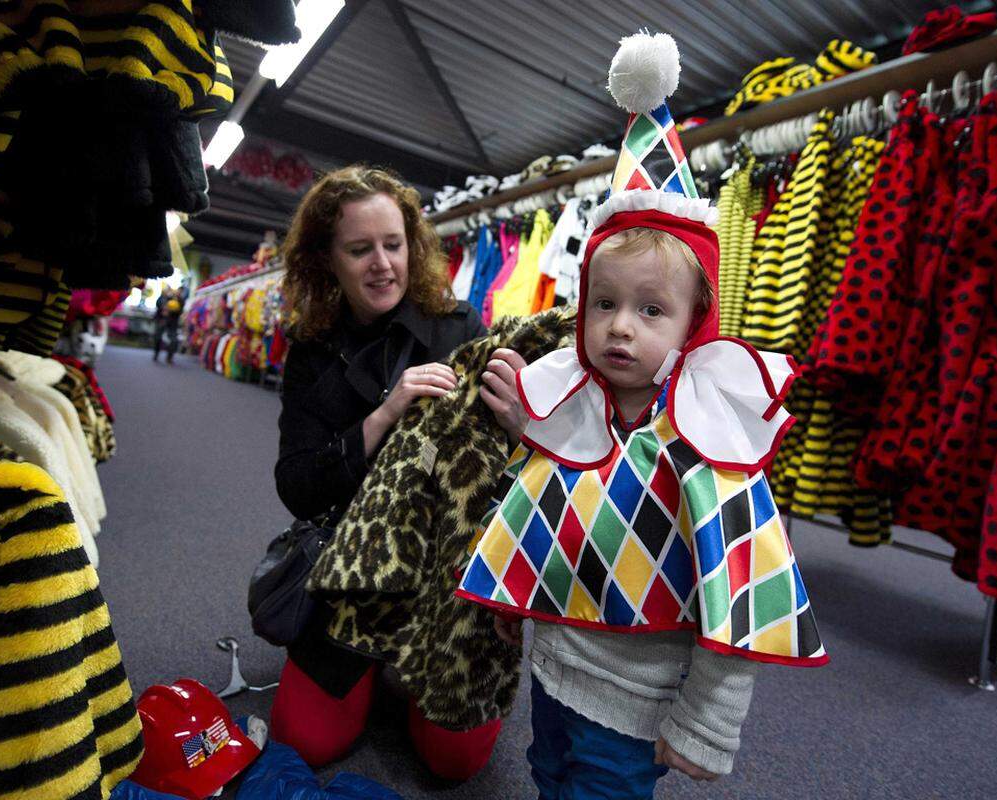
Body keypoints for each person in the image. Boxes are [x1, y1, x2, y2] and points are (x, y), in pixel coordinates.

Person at [456, 33, 827, 799]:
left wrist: (705, 723)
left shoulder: (709, 440)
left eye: (651, 309)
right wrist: (516, 601)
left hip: (633, 705)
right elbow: (549, 507)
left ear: (695, 322)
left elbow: (741, 584)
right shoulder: (572, 409)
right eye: (604, 304)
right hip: (555, 672)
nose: (620, 326)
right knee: (545, 773)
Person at [271, 165, 527, 779]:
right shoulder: (310, 347)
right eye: (360, 250)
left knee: (453, 763)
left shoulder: (459, 326)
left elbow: (502, 468)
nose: (382, 263)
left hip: (447, 572)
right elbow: (297, 486)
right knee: (303, 744)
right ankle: (379, 667)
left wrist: (523, 426)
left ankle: (410, 669)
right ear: (327, 259)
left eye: (394, 244)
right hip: (353, 575)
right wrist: (386, 412)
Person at [152, 286, 183, 363]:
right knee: (158, 337)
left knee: (173, 340)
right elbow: (158, 304)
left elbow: (180, 310)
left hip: (172, 322)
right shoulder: (165, 297)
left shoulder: (180, 300)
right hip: (162, 320)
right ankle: (156, 354)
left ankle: (169, 357)